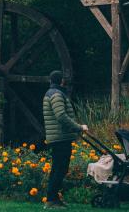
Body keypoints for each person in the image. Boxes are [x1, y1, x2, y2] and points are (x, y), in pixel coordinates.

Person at [42, 70, 88, 209]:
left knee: (58, 168)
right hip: (60, 138)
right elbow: (61, 116)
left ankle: (53, 199)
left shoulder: (52, 93)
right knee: (60, 169)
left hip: (59, 137)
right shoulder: (56, 94)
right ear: (61, 80)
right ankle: (51, 200)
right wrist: (79, 127)